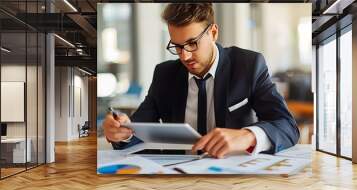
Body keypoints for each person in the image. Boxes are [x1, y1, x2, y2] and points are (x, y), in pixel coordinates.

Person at [102, 3, 299, 159]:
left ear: (213, 33)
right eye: (177, 46)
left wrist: (247, 136)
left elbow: (287, 126)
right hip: (175, 180)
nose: (185, 56)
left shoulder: (248, 65)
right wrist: (122, 132)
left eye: (192, 43)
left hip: (234, 176)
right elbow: (138, 130)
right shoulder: (164, 74)